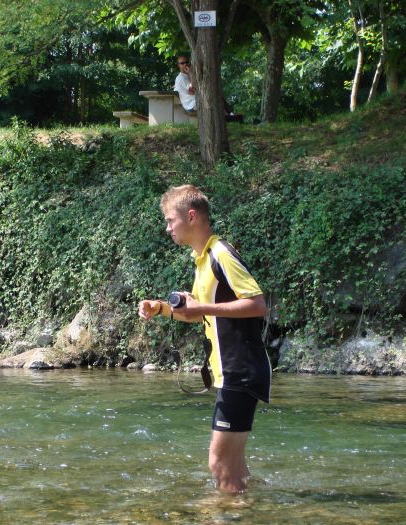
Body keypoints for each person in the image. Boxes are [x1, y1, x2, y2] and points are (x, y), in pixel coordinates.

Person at [137, 184, 270, 493]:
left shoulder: (220, 253)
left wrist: (202, 306)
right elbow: (197, 313)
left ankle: (229, 513)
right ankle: (247, 508)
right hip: (233, 372)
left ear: (192, 216)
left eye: (171, 220)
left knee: (219, 464)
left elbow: (257, 303)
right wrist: (161, 309)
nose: (167, 227)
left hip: (241, 369)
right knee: (232, 466)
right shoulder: (203, 258)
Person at [173, 55, 244, 122]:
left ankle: (229, 114)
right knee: (212, 96)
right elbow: (192, 91)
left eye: (187, 62)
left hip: (196, 100)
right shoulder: (181, 78)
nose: (185, 64)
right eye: (182, 63)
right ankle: (227, 116)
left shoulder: (188, 75)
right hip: (191, 104)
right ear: (178, 65)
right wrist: (191, 74)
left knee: (217, 94)